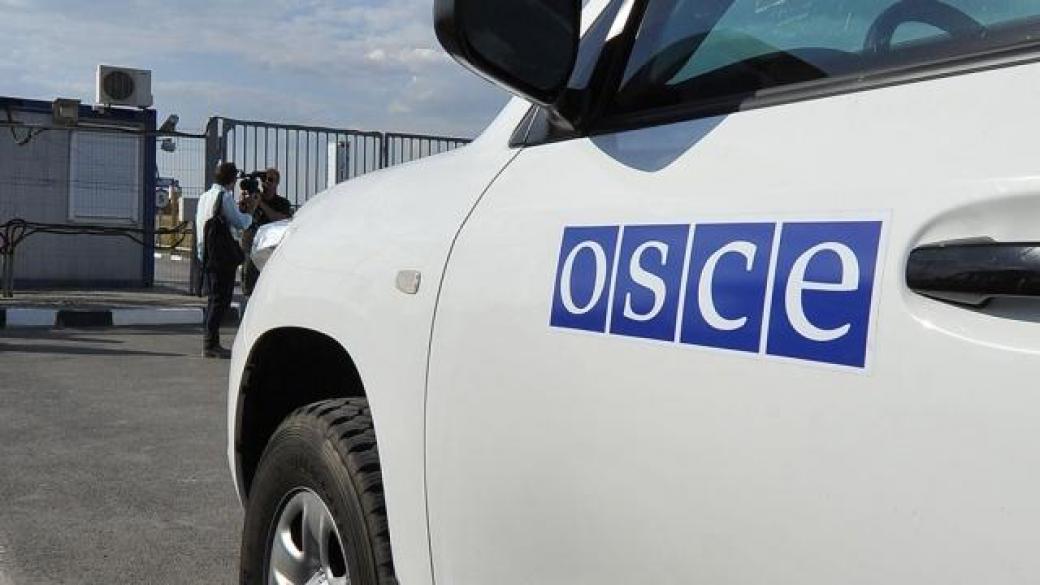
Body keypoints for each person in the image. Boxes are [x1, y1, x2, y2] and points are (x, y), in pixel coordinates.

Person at [195, 162, 255, 358]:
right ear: (232, 179)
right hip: (221, 257)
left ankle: (211, 341)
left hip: (207, 253)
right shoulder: (224, 197)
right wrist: (251, 210)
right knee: (221, 299)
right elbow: (240, 223)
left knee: (214, 298)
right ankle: (210, 345)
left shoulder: (205, 197)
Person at [241, 168, 293, 295]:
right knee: (249, 288)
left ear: (277, 183)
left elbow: (281, 219)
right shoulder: (253, 199)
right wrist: (249, 204)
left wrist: (261, 204)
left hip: (271, 251)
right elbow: (244, 221)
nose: (266, 183)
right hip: (251, 248)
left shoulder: (282, 203)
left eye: (270, 180)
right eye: (264, 179)